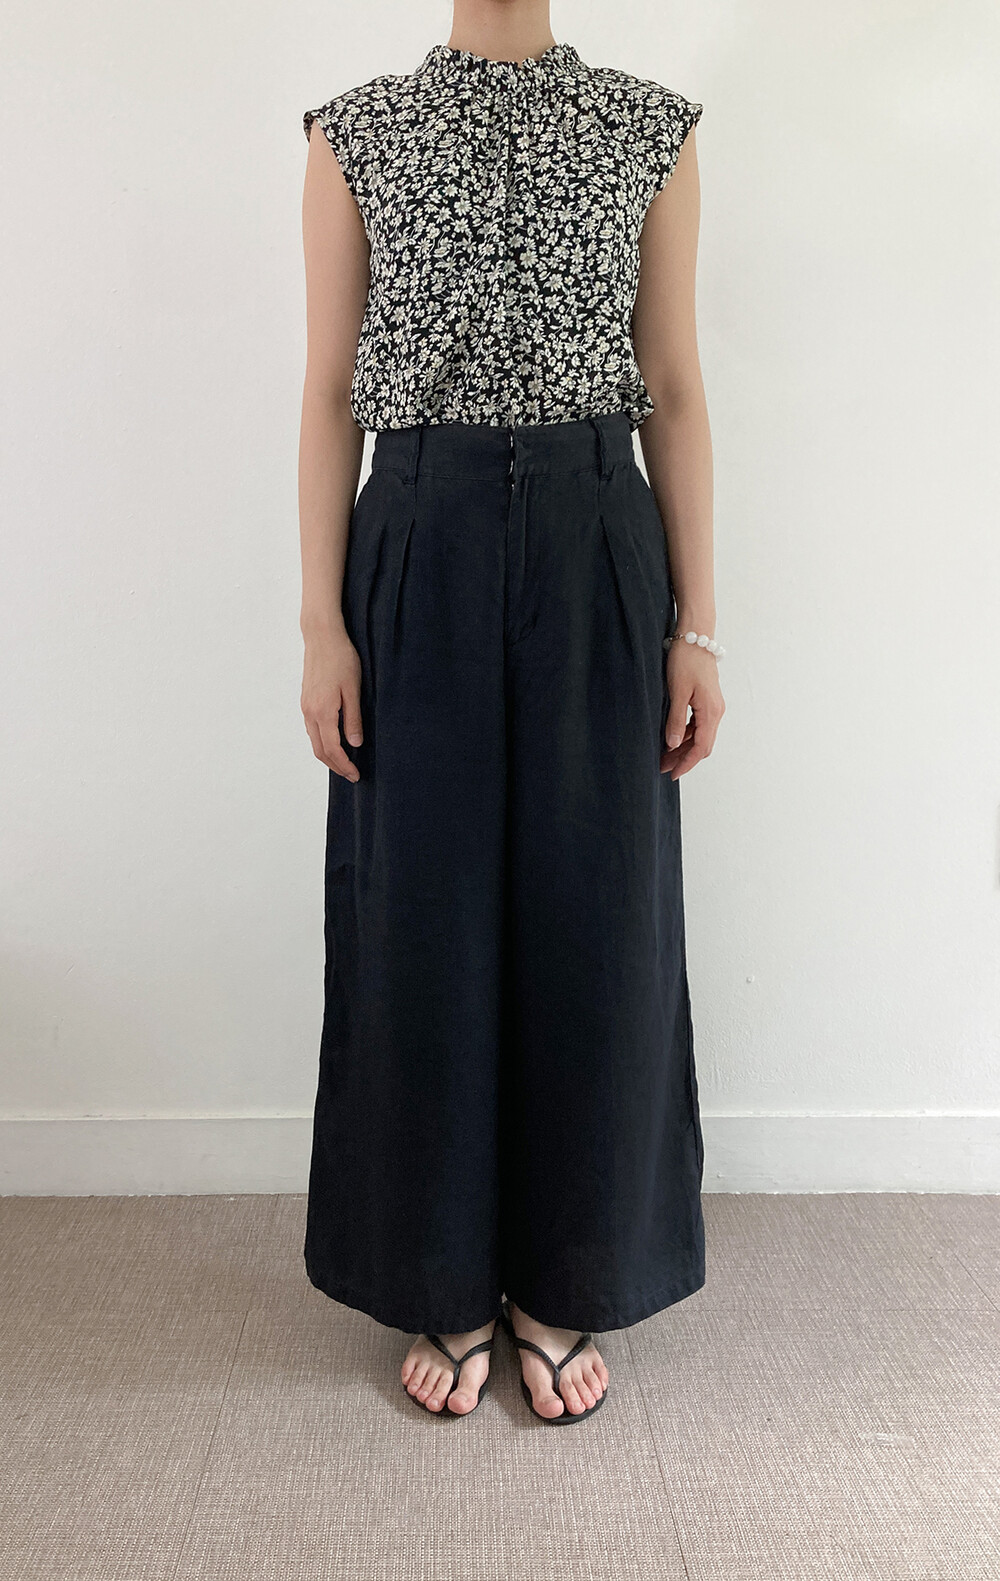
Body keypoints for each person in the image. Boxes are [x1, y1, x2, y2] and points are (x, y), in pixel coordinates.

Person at [297, 0, 724, 1423]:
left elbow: (674, 390)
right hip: (418, 533)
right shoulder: (356, 132)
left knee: (597, 913)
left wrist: (699, 626)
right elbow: (329, 394)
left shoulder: (647, 129)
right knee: (419, 914)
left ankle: (566, 1270)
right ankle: (436, 1267)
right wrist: (321, 623)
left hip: (599, 535)